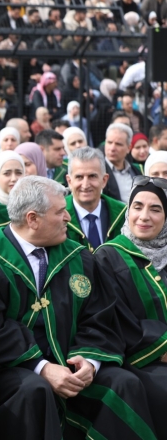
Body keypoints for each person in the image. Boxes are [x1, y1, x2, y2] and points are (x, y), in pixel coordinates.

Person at [0, 176, 157, 440]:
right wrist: (42, 367)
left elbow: (99, 316)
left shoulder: (79, 256)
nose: (68, 217)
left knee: (123, 383)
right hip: (13, 368)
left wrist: (90, 361)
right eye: (60, 211)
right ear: (32, 219)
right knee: (34, 390)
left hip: (73, 363)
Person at [94, 177, 167, 438]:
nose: (144, 216)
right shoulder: (108, 256)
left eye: (155, 209)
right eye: (137, 207)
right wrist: (162, 348)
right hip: (138, 357)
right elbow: (115, 319)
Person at [65, 147, 126, 250]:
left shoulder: (123, 214)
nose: (85, 185)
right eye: (79, 177)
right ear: (69, 181)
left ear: (104, 180)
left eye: (92, 176)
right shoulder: (57, 216)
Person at [105, 123, 139, 202]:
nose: (112, 148)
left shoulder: (136, 171)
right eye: (109, 142)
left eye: (118, 144)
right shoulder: (98, 170)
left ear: (129, 148)